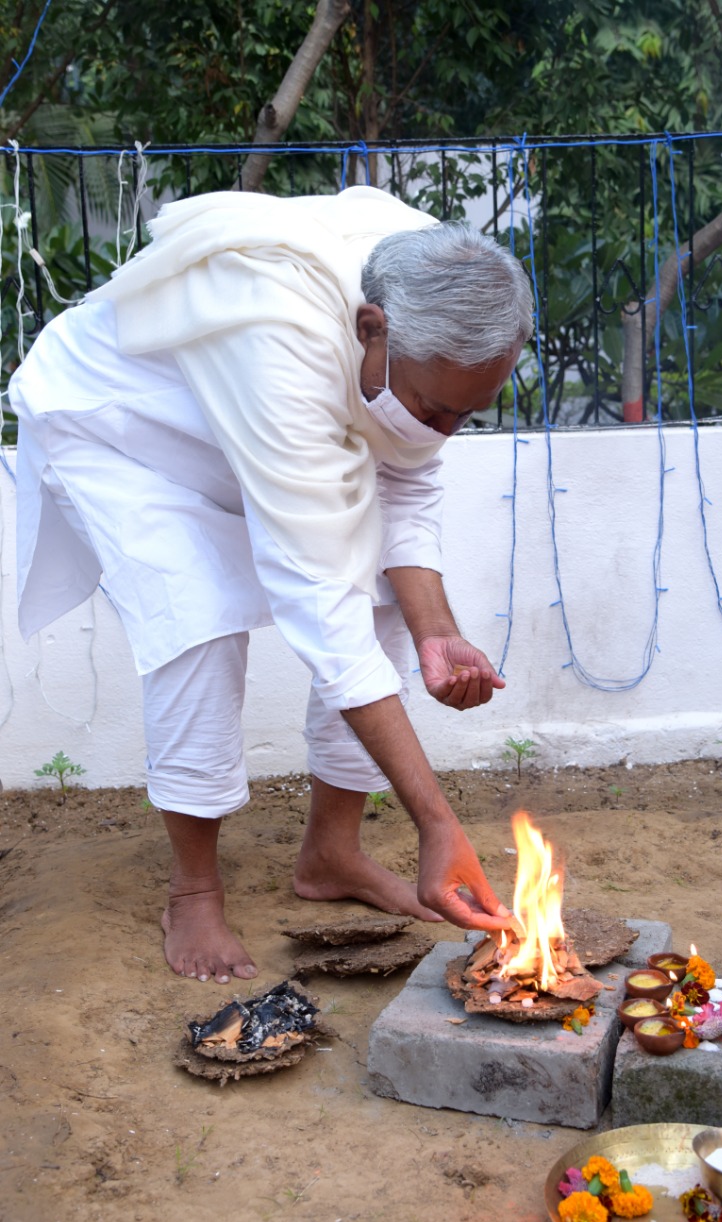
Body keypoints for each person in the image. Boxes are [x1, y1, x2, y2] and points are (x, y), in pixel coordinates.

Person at [10, 183, 534, 984]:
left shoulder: (441, 278)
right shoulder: (277, 338)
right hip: (120, 429)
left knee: (390, 599)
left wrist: (434, 631)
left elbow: (407, 478)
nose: (443, 434)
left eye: (466, 417)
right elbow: (319, 605)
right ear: (372, 330)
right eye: (434, 410)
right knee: (199, 616)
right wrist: (435, 818)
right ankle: (193, 891)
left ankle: (331, 855)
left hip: (245, 424)